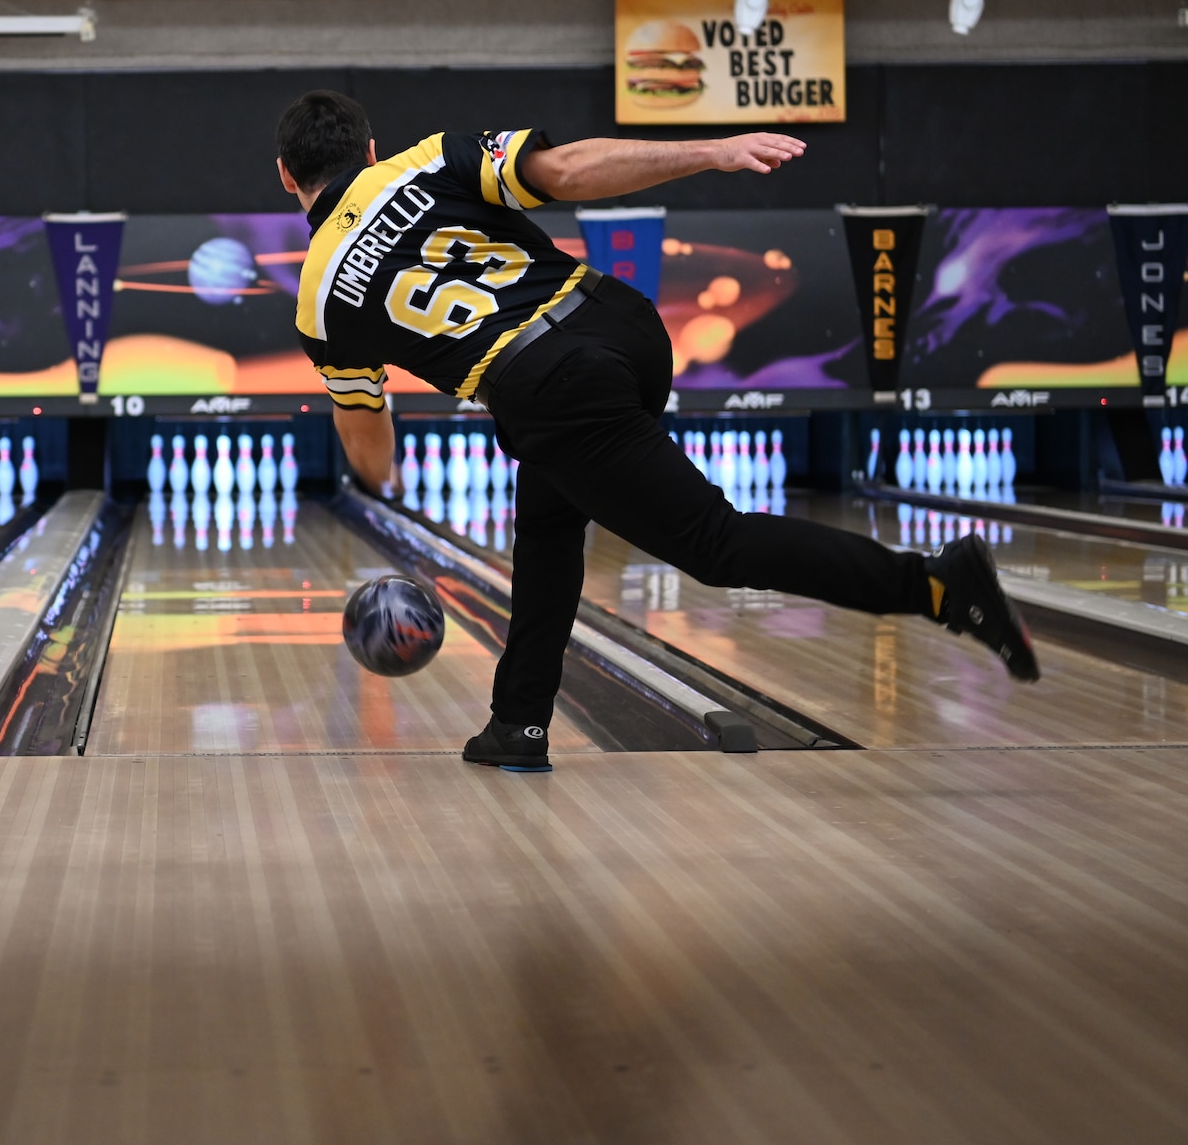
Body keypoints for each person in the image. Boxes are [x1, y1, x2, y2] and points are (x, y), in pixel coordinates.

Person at [275, 89, 1039, 773]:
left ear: (286, 176)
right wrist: (711, 151)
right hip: (621, 321)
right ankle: (519, 722)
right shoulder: (428, 157)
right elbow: (570, 170)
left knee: (716, 543)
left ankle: (938, 584)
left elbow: (366, 435)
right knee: (546, 524)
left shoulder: (317, 301)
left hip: (549, 388)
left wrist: (384, 490)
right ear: (369, 149)